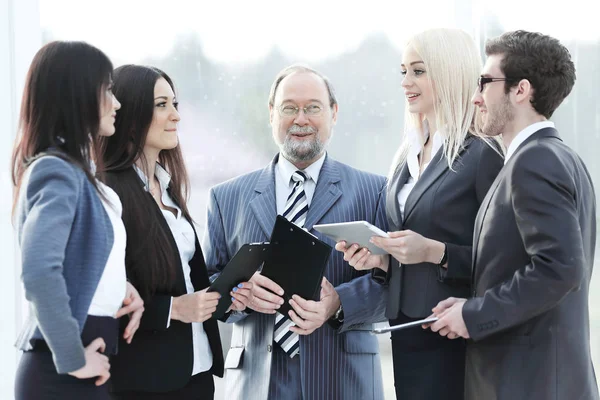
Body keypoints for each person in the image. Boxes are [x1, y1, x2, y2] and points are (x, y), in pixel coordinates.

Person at [428, 30, 599, 400]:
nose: (475, 97)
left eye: (485, 82)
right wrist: (468, 304)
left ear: (521, 90)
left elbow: (560, 268)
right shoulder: (560, 159)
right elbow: (513, 264)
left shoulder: (534, 162)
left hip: (527, 385)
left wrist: (474, 317)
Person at [336, 28, 504, 399]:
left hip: (455, 333)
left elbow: (504, 260)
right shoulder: (407, 155)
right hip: (407, 330)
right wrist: (379, 259)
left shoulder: (483, 154)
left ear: (448, 72)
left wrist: (434, 251)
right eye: (403, 72)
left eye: (418, 71)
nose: (406, 83)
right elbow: (409, 244)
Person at [203, 64, 388, 400]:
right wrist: (240, 294)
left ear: (333, 113)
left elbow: (392, 285)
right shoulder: (226, 197)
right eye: (289, 108)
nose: (301, 119)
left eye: (313, 107)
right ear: (272, 114)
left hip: (343, 378)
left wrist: (337, 303)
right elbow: (209, 286)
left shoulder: (374, 190)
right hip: (257, 381)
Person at [98, 64, 252, 400]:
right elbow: (99, 290)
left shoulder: (168, 188)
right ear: (131, 110)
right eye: (162, 104)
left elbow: (186, 277)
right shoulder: (108, 191)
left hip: (196, 373)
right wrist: (174, 309)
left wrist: (227, 293)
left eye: (175, 104)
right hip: (144, 380)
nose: (175, 116)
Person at [12, 41, 144, 400]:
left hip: (84, 363)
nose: (116, 104)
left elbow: (81, 255)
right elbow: (39, 270)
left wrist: (121, 288)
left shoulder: (79, 174)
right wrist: (72, 360)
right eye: (108, 91)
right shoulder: (56, 170)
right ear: (79, 94)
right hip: (63, 371)